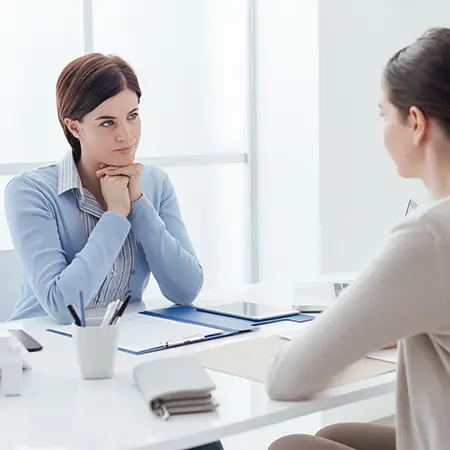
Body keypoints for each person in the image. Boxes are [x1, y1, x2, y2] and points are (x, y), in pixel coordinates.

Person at [267, 27, 450, 450]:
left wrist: (332, 339)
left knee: (291, 447)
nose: (384, 130)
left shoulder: (430, 236)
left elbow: (288, 378)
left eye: (384, 115)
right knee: (335, 435)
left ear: (417, 123)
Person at [4, 53, 204, 324]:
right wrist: (116, 215)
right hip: (41, 346)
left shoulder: (155, 183)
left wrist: (139, 204)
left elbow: (186, 290)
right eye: (107, 122)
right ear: (74, 127)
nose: (126, 135)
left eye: (132, 116)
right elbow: (62, 308)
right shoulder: (30, 192)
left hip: (125, 341)